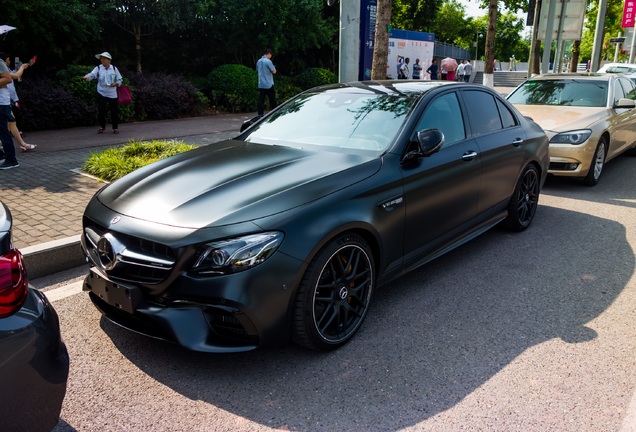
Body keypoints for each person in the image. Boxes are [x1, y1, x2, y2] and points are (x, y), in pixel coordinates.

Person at [83, 51, 122, 134]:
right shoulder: (98, 68)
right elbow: (92, 75)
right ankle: (102, 127)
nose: (102, 60)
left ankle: (115, 128)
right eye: (101, 59)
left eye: (104, 59)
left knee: (114, 111)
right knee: (101, 111)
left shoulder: (114, 68)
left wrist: (116, 83)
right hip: (101, 93)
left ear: (109, 60)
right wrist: (87, 77)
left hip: (112, 94)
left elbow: (120, 80)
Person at [3, 55, 36, 152]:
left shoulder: (6, 69)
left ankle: (23, 144)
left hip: (8, 101)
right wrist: (22, 67)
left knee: (11, 123)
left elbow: (16, 75)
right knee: (10, 123)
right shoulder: (3, 70)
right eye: (8, 60)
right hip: (4, 102)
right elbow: (15, 76)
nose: (9, 62)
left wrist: (26, 66)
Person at [0, 51, 18, 169]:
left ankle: (11, 160)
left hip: (1, 102)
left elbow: (8, 79)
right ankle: (3, 155)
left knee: (3, 131)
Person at [256, 49, 277, 116]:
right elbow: (274, 71)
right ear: (269, 54)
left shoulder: (258, 61)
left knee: (261, 100)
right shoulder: (268, 61)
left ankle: (260, 114)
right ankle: (275, 113)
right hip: (268, 84)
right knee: (272, 100)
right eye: (271, 55)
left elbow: (257, 69)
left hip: (261, 84)